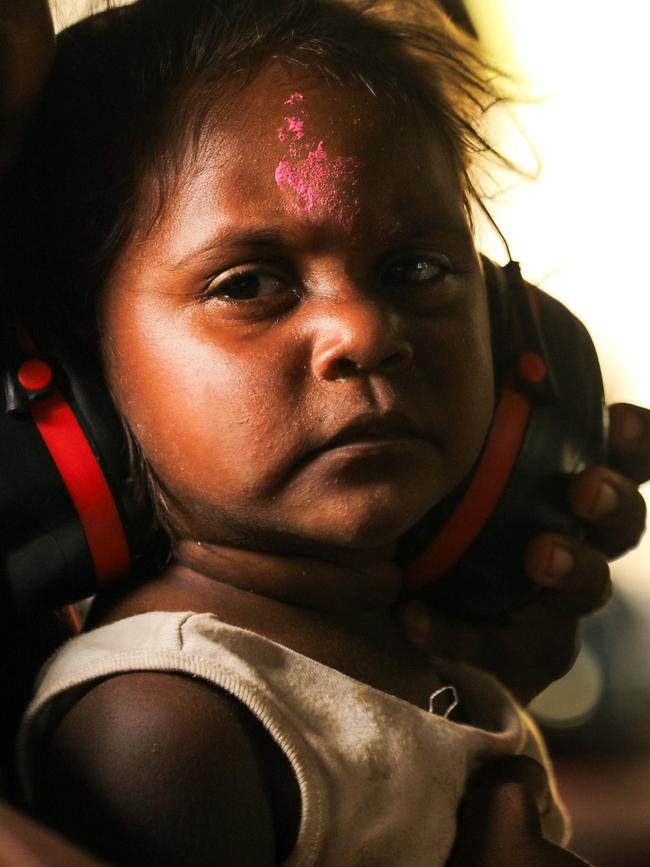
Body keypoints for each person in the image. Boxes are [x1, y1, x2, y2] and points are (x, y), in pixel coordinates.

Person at [1, 1, 649, 864]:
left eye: (415, 268)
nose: (366, 332)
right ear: (84, 367)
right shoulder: (166, 722)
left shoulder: (418, 644)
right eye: (249, 282)